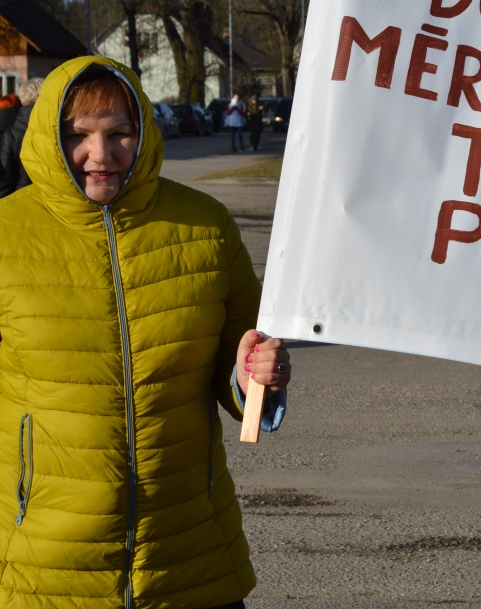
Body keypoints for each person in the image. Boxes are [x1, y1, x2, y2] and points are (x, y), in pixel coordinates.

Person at [0, 56, 291, 607]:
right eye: (78, 135)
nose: (100, 155)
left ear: (145, 135)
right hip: (43, 565)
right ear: (48, 137)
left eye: (120, 133)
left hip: (189, 557)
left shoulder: (205, 227)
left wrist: (258, 381)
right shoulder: (6, 234)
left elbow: (239, 374)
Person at [0, 77, 43, 197]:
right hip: (53, 198)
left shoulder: (12, 133)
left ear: (23, 99)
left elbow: (6, 176)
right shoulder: (56, 126)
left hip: (21, 196)